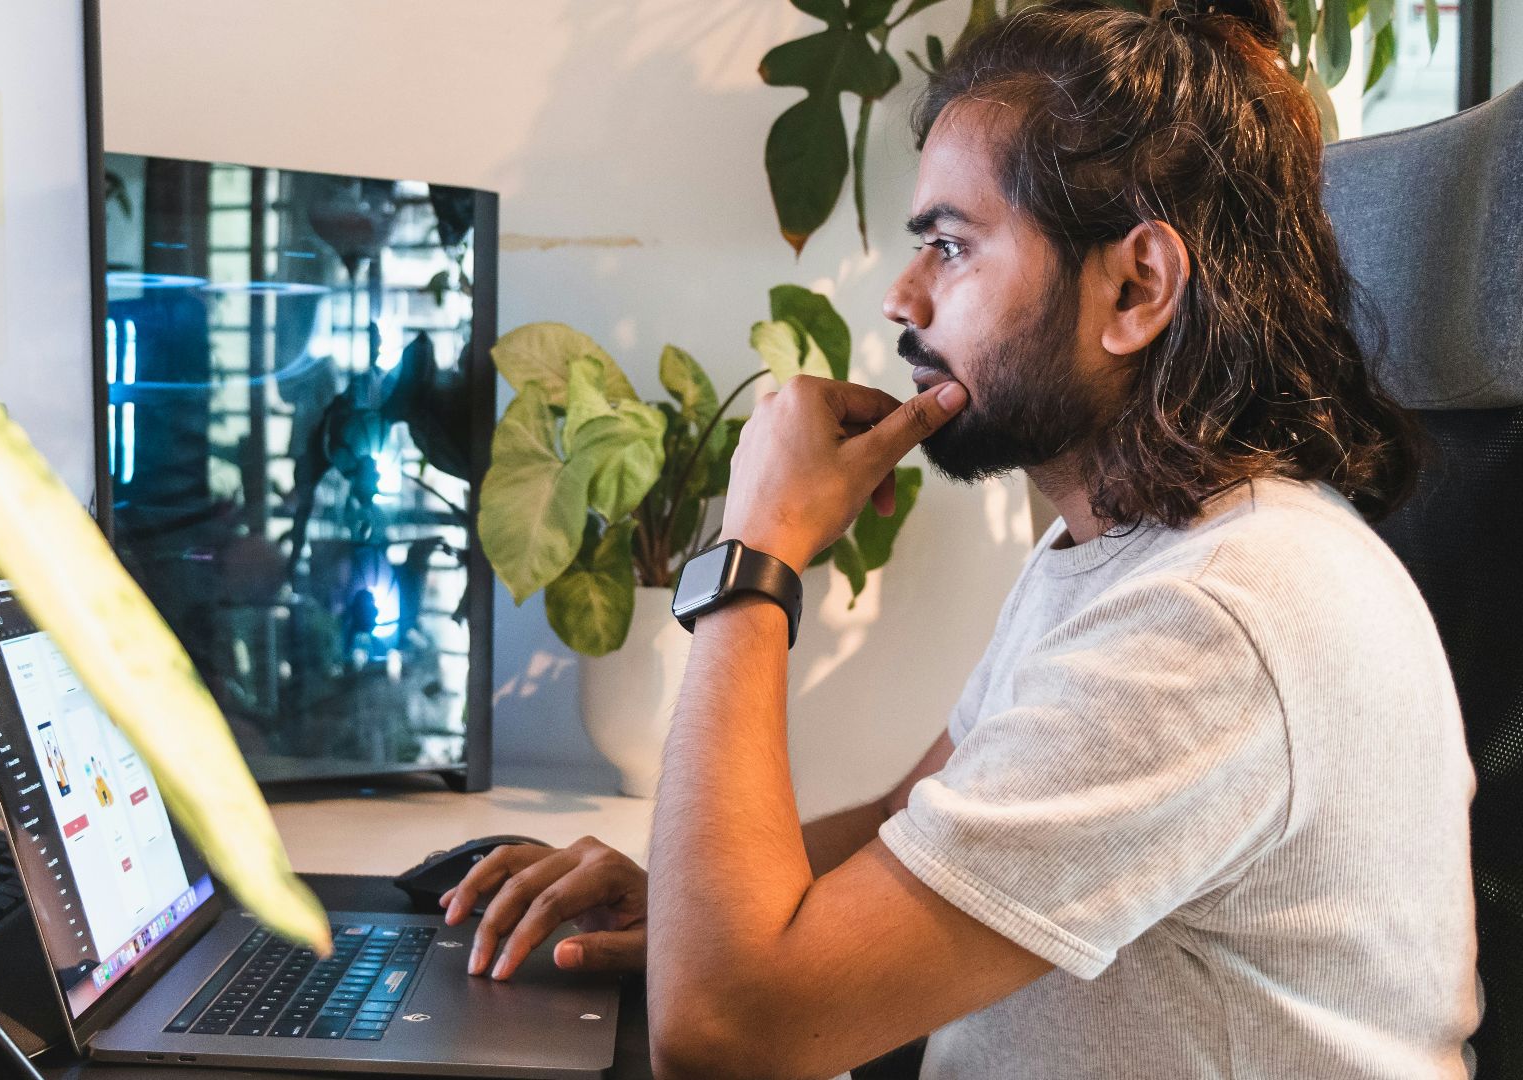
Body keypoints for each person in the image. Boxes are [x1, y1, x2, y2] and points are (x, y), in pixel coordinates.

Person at [441, 1, 1481, 1077]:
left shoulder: (1216, 616)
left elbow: (726, 1036)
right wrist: (678, 905)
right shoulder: (1124, 550)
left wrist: (756, 552)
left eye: (950, 246)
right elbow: (908, 820)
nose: (903, 299)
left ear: (1136, 288)